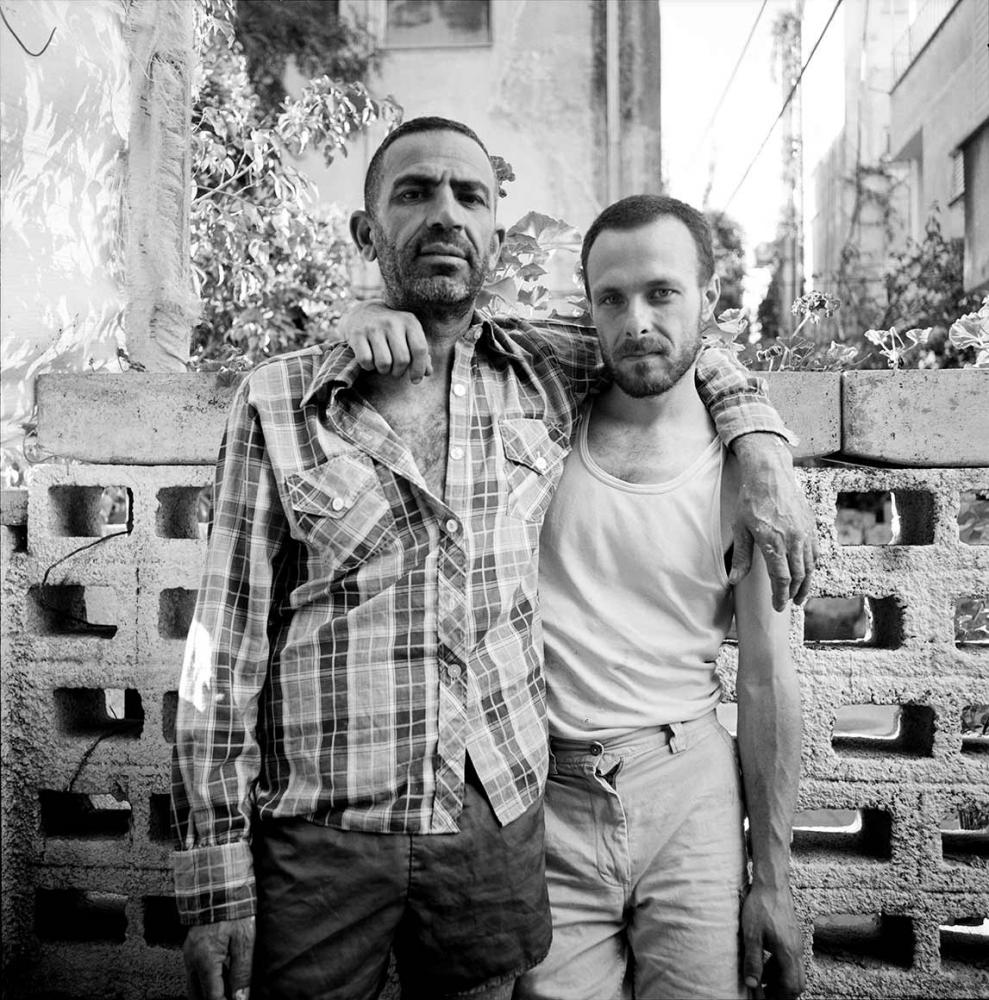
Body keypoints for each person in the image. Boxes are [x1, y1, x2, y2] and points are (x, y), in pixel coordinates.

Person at [171, 117, 815, 1000]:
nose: (445, 214)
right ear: (366, 234)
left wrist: (760, 441)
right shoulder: (279, 400)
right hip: (318, 839)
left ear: (495, 239)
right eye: (414, 193)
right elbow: (221, 650)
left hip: (493, 827)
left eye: (468, 196)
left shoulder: (537, 370)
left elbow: (671, 336)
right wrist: (213, 873)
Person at [512, 194, 805, 1000]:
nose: (636, 319)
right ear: (588, 311)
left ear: (707, 301)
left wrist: (771, 878)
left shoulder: (744, 479)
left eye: (661, 292)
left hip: (689, 795)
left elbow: (766, 679)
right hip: (546, 799)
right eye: (611, 298)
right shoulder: (533, 435)